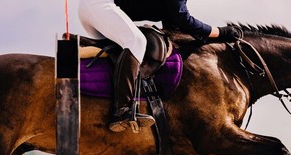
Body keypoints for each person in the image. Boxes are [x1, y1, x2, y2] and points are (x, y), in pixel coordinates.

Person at [79, 0, 241, 133]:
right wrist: (221, 32)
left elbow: (174, 26)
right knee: (137, 42)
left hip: (95, 9)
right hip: (99, 6)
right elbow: (184, 20)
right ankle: (122, 111)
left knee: (126, 48)